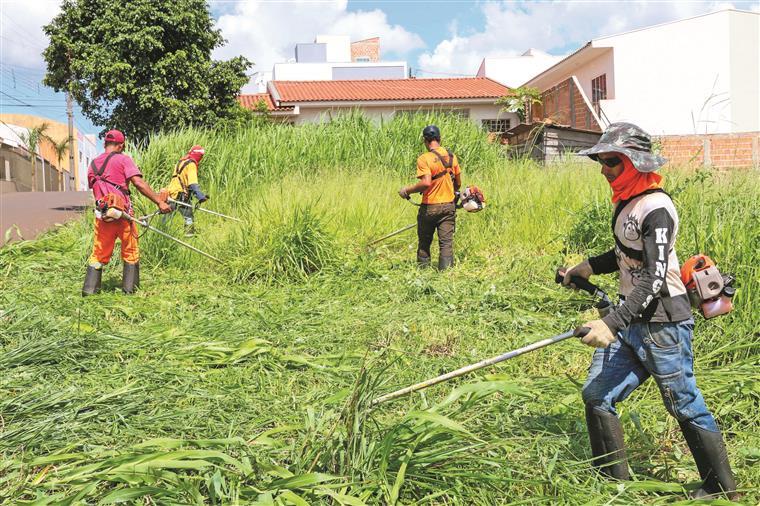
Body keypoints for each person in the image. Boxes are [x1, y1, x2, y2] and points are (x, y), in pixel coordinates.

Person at [563, 122, 738, 499]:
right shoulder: (629, 202)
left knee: (684, 404)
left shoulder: (657, 208)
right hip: (632, 319)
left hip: (663, 325)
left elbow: (655, 278)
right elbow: (626, 254)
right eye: (601, 161)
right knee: (597, 395)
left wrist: (611, 322)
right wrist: (588, 267)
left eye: (612, 161)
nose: (605, 168)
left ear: (636, 162)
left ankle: (722, 490)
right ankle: (613, 483)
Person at [82, 130, 171, 296]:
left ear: (105, 144)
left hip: (103, 216)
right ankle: (130, 293)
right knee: (131, 251)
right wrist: (159, 201)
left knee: (98, 254)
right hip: (123, 217)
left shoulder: (93, 164)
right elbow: (138, 183)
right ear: (121, 145)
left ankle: (89, 292)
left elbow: (94, 187)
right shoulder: (123, 159)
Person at [398, 125, 461, 270]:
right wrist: (451, 193)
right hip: (448, 207)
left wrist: (407, 190)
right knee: (446, 243)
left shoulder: (424, 158)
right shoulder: (451, 156)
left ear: (425, 141)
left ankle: (423, 274)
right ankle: (445, 276)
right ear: (439, 138)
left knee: (425, 242)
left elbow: (426, 182)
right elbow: (458, 183)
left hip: (429, 208)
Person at [165, 145, 208, 237]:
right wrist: (200, 197)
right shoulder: (191, 164)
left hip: (171, 191)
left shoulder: (181, 161)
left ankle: (161, 232)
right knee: (188, 216)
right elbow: (192, 183)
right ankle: (189, 235)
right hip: (180, 193)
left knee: (168, 215)